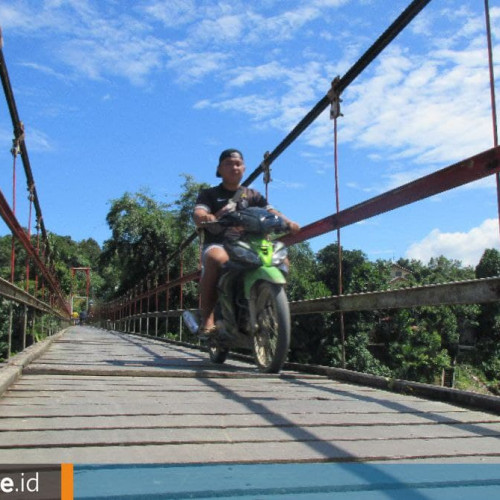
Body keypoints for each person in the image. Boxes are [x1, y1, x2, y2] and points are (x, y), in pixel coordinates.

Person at [193, 148, 300, 336]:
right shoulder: (209, 194)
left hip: (251, 244)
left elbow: (271, 212)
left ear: (244, 168)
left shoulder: (253, 195)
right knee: (215, 258)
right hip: (221, 243)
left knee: (282, 261)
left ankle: (269, 304)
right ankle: (207, 319)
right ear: (219, 169)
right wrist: (205, 217)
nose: (234, 167)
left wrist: (288, 222)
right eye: (228, 163)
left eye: (238, 163)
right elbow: (199, 212)